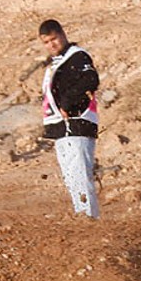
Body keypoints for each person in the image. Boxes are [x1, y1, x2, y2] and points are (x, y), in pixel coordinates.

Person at [36, 18, 101, 219]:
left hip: (77, 123)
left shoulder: (77, 56)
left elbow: (91, 79)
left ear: (63, 34)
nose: (51, 45)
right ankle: (82, 215)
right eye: (46, 42)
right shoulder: (56, 63)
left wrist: (67, 104)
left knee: (80, 174)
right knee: (71, 176)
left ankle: (89, 218)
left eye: (54, 39)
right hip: (61, 127)